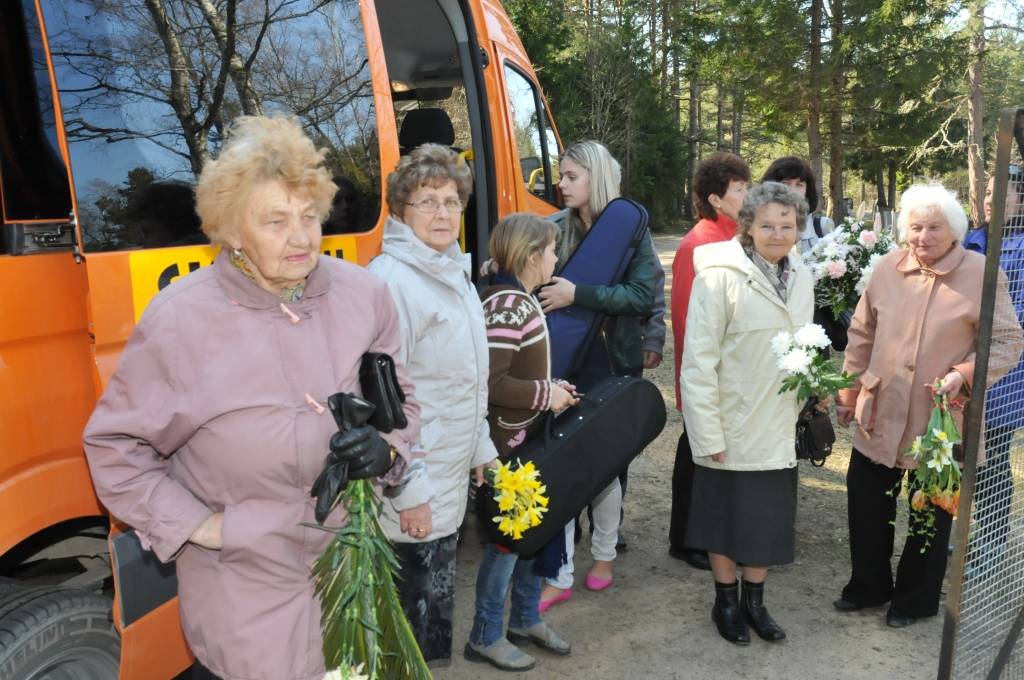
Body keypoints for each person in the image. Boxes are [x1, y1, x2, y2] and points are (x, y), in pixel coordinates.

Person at [81, 116, 421, 680]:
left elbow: (401, 403)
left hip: (351, 575)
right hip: (244, 592)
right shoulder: (181, 319)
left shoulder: (364, 295)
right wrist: (208, 529)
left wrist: (387, 452)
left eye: (309, 216)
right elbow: (115, 450)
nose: (301, 237)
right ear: (232, 231)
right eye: (276, 221)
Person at [834, 183, 1023, 628]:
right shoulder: (886, 268)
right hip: (880, 407)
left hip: (940, 417)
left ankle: (915, 600)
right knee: (866, 502)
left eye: (934, 226)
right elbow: (860, 335)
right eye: (915, 227)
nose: (923, 236)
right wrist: (848, 392)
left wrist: (964, 372)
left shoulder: (981, 272)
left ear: (954, 229)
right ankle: (868, 587)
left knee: (930, 511)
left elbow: (1007, 340)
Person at [367, 143, 498, 666]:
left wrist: (481, 447)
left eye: (451, 201)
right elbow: (384, 403)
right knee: (406, 634)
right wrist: (409, 489)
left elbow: (466, 378)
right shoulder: (392, 281)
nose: (443, 213)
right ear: (401, 210)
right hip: (412, 487)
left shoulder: (450, 273)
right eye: (427, 201)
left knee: (429, 628)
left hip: (447, 470)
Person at [681, 182, 812, 645]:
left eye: (788, 225)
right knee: (724, 518)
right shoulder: (718, 277)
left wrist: (808, 394)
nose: (778, 234)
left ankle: (756, 600)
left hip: (776, 422)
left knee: (766, 520)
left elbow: (804, 348)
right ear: (748, 227)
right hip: (731, 421)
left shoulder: (803, 276)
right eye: (768, 225)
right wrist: (707, 432)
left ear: (798, 229)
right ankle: (726, 601)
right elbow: (698, 362)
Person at [536, 140, 659, 611]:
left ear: (596, 177)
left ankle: (604, 557)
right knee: (563, 461)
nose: (560, 184)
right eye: (562, 176)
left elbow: (641, 297)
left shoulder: (631, 231)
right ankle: (560, 571)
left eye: (571, 177)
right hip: (565, 363)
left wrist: (579, 294)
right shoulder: (556, 229)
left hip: (614, 360)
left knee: (608, 465)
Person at [465, 213, 577, 671]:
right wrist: (545, 394)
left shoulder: (520, 300)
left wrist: (553, 389)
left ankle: (524, 618)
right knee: (506, 544)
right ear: (533, 255)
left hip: (525, 445)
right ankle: (485, 634)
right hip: (506, 450)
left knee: (533, 531)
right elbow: (491, 383)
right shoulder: (509, 306)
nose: (556, 256)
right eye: (551, 249)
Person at [668, 152, 752, 572]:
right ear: (717, 199)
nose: (747, 194)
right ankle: (684, 539)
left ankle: (705, 535)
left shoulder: (736, 236)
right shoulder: (698, 243)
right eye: (740, 188)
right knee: (695, 453)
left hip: (733, 372)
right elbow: (687, 319)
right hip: (708, 373)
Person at [960, 167, 1024, 577]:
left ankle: (993, 542)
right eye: (986, 192)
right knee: (965, 455)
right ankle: (969, 530)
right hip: (963, 366)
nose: (990, 199)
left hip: (1005, 375)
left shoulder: (1020, 246)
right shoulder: (972, 239)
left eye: (1004, 192)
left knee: (992, 460)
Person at [761, 155, 834, 254]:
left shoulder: (823, 227)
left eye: (799, 185)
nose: (793, 191)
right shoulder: (759, 228)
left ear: (807, 191)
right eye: (785, 184)